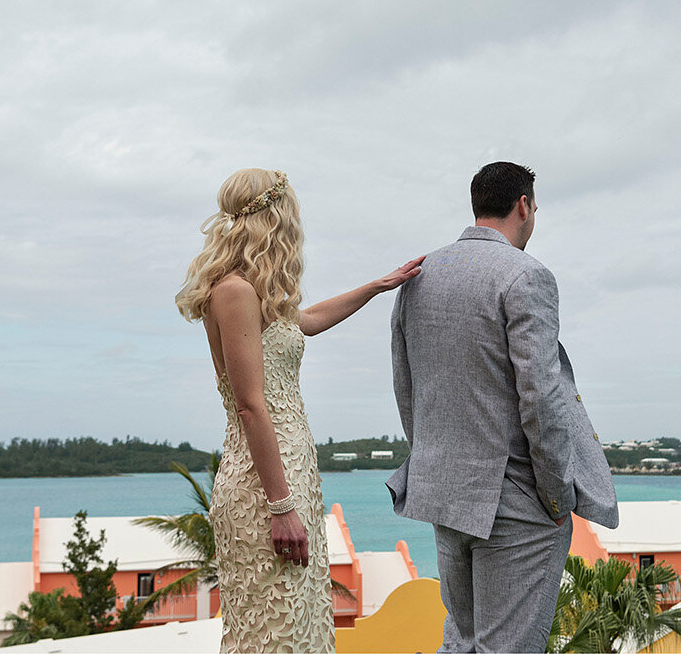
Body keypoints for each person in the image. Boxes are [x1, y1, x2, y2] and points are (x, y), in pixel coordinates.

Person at [176, 168, 421, 654]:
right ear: (276, 216)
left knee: (299, 627)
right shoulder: (233, 291)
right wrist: (281, 506)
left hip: (290, 476)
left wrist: (376, 287)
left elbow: (305, 321)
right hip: (263, 488)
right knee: (272, 631)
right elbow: (250, 405)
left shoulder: (255, 292)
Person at [387, 161, 617, 653]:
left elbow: (405, 387)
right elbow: (540, 396)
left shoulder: (418, 276)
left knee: (464, 642)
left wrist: (432, 460)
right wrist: (557, 497)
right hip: (514, 503)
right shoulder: (526, 275)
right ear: (524, 206)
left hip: (443, 493)